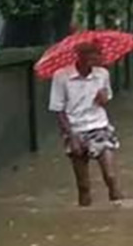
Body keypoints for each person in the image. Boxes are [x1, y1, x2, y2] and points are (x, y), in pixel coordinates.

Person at [49, 43, 123, 206]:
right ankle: (84, 216)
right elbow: (58, 110)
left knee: (110, 176)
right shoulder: (61, 76)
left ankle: (118, 210)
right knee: (83, 185)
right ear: (80, 55)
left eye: (98, 54)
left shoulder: (102, 74)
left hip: (99, 126)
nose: (98, 58)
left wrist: (103, 98)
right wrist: (71, 136)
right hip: (75, 129)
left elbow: (105, 100)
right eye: (93, 54)